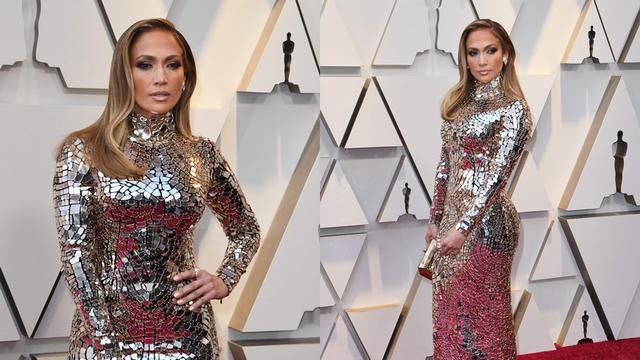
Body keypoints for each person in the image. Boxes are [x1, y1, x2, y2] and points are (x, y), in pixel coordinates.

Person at [52, 19, 260, 359]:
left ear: (186, 76)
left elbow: (246, 229)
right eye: (145, 65)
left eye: (172, 65)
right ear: (124, 74)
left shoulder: (201, 153)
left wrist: (224, 278)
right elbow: (77, 255)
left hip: (188, 337)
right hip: (105, 338)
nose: (161, 78)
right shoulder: (83, 150)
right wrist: (103, 341)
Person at [425, 19, 532, 359]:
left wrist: (462, 227)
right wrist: (435, 217)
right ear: (465, 59)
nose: (482, 61)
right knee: (449, 313)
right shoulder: (457, 104)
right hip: (451, 223)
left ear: (506, 56)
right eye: (474, 53)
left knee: (487, 317)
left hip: (488, 226)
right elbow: (446, 166)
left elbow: (497, 177)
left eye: (490, 51)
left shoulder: (515, 109)